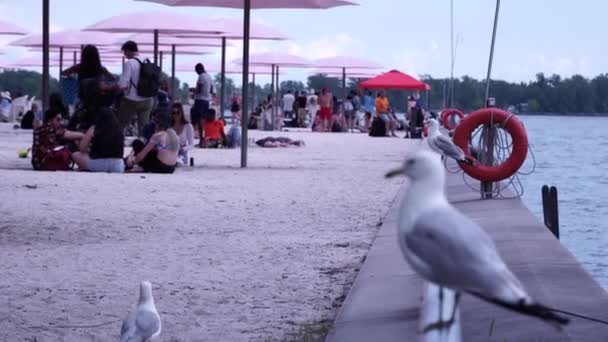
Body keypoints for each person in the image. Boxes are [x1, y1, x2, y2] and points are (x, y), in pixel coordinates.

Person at [64, 45, 117, 131]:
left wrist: (72, 79)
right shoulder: (101, 69)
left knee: (77, 121)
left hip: (83, 100)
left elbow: (65, 73)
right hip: (98, 101)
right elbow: (113, 80)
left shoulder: (79, 67)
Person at [118, 40, 154, 137]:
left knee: (121, 124)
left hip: (131, 100)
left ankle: (117, 145)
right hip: (148, 99)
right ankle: (143, 148)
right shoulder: (147, 60)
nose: (125, 55)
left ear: (128, 50)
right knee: (144, 128)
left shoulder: (129, 63)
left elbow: (123, 85)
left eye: (125, 52)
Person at [72, 108, 125, 173]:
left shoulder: (95, 128)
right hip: (118, 166)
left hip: (99, 164)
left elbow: (82, 148)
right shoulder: (119, 129)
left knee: (76, 155)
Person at [31, 106, 84, 171]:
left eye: (61, 120)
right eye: (58, 120)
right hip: (46, 162)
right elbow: (75, 135)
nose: (61, 122)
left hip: (36, 163)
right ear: (50, 120)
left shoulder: (42, 128)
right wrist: (87, 136)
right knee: (71, 145)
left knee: (69, 142)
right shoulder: (53, 129)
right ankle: (83, 162)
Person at [192, 63, 213, 146]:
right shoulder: (209, 77)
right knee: (203, 118)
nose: (196, 73)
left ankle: (201, 138)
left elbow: (199, 90)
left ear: (199, 69)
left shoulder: (201, 76)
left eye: (196, 71)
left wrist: (193, 91)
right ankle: (203, 137)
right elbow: (211, 90)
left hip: (200, 100)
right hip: (207, 100)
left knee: (199, 118)